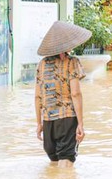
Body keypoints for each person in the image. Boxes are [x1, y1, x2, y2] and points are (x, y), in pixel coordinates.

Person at [35, 21, 91, 168]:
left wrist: (39, 123)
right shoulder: (72, 62)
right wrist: (80, 124)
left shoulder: (41, 64)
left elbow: (37, 96)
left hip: (48, 121)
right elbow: (76, 94)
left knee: (53, 165)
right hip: (67, 119)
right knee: (65, 163)